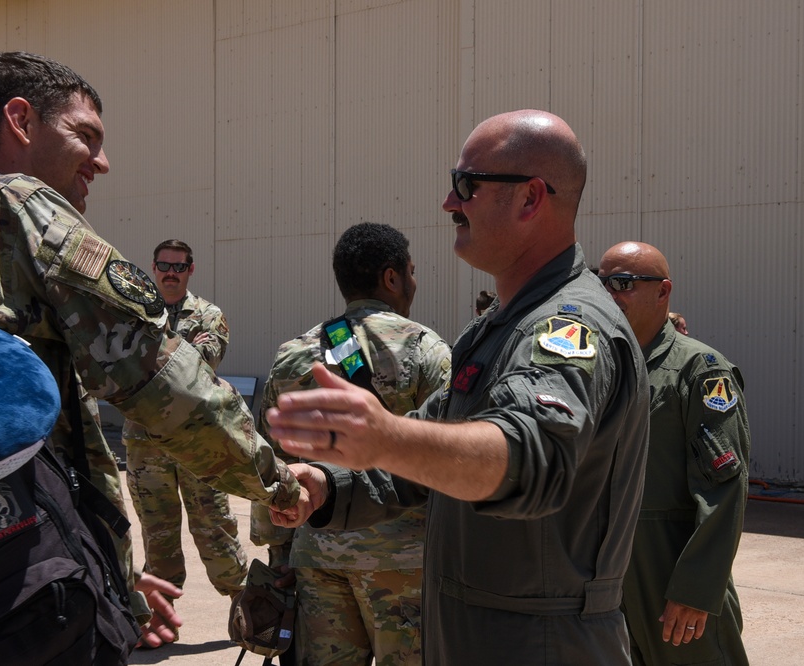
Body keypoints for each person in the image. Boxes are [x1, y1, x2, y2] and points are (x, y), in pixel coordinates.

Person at [0, 51, 303, 648]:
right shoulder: (24, 208)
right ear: (20, 122)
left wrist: (114, 577)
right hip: (21, 604)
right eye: (84, 136)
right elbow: (164, 383)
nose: (102, 162)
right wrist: (280, 485)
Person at [265, 110, 650, 664]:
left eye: (466, 185)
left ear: (529, 199)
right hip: (477, 631)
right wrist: (329, 485)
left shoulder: (567, 328)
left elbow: (527, 454)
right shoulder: (496, 328)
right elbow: (433, 438)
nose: (450, 203)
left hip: (540, 644)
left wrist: (385, 437)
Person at [254, 222, 451, 666]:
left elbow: (270, 461)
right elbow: (448, 451)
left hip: (316, 555)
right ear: (392, 277)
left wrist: (279, 554)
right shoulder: (426, 349)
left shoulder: (293, 353)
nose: (413, 282)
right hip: (403, 564)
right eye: (412, 271)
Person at [599, 242, 751, 665]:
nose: (609, 294)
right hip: (607, 574)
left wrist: (695, 589)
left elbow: (724, 487)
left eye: (623, 283)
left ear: (663, 292)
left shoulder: (699, 370)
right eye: (602, 282)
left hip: (671, 567)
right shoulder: (601, 368)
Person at [123, 239, 249, 606]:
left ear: (190, 270)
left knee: (215, 529)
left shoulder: (209, 315)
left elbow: (198, 365)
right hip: (146, 445)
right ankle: (162, 618)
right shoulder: (134, 312)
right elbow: (117, 363)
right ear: (154, 267)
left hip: (197, 445)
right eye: (164, 266)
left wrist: (144, 356)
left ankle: (247, 609)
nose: (171, 274)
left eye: (179, 267)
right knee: (157, 533)